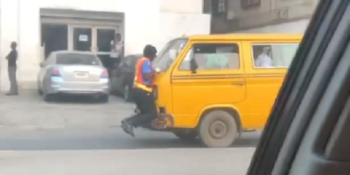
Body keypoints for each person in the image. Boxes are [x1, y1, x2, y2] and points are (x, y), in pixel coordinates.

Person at [121, 45, 158, 137]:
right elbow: (146, 76)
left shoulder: (140, 61)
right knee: (152, 114)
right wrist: (154, 72)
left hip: (138, 91)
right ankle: (129, 122)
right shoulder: (146, 61)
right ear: (150, 54)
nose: (155, 56)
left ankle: (128, 122)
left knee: (144, 113)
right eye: (154, 54)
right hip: (143, 91)